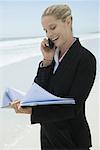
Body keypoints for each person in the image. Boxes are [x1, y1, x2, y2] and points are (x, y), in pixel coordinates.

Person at [11, 4, 96, 150]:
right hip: (48, 139)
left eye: (52, 27)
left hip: (72, 141)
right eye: (45, 30)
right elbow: (38, 90)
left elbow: (73, 107)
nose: (49, 34)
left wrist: (33, 112)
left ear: (68, 21)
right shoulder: (50, 57)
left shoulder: (85, 59)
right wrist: (47, 60)